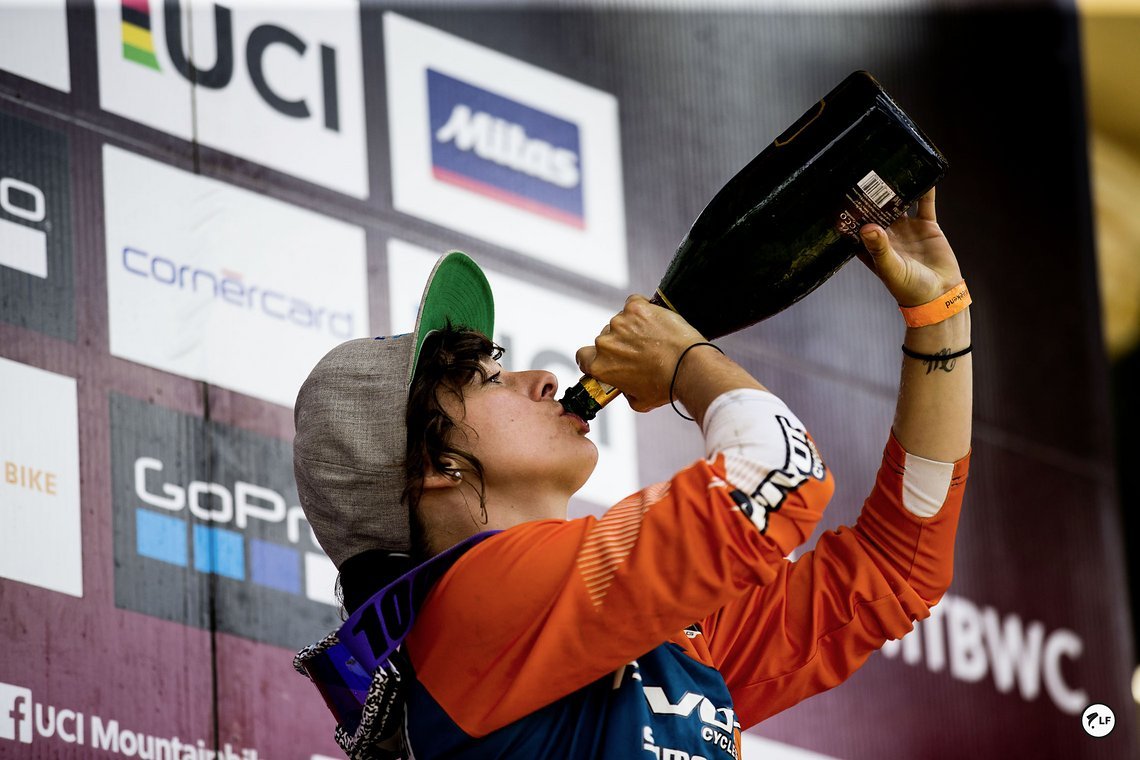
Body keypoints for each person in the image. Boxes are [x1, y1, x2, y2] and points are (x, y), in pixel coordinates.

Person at [292, 188, 971, 760]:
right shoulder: (470, 605)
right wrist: (684, 363)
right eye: (488, 379)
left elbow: (894, 572)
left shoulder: (639, 630)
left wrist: (939, 315)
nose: (543, 379)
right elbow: (777, 477)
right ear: (433, 467)